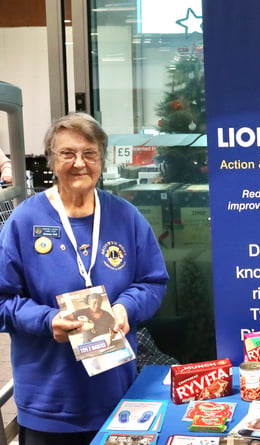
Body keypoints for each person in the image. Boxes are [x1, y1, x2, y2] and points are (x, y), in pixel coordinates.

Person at [0, 112, 169, 445]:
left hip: (117, 396)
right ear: (51, 160)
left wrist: (125, 309)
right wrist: (47, 320)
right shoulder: (24, 222)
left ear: (101, 160)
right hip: (49, 405)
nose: (80, 163)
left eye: (89, 153)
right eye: (68, 153)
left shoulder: (125, 216)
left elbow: (153, 282)